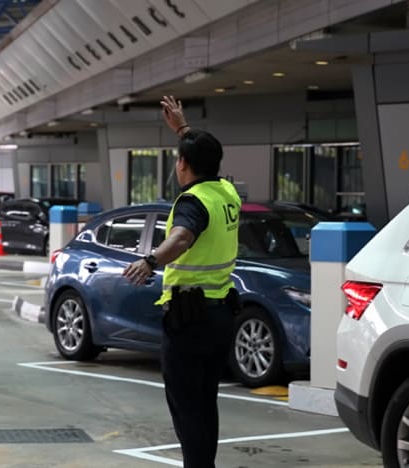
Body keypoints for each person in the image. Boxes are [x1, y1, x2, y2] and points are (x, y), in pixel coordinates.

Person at [122, 95, 242, 468]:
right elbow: (203, 154)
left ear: (184, 165)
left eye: (179, 157)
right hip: (221, 313)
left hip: (190, 321)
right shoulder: (227, 193)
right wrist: (183, 129)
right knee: (205, 402)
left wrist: (150, 259)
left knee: (187, 406)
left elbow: (182, 238)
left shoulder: (193, 202)